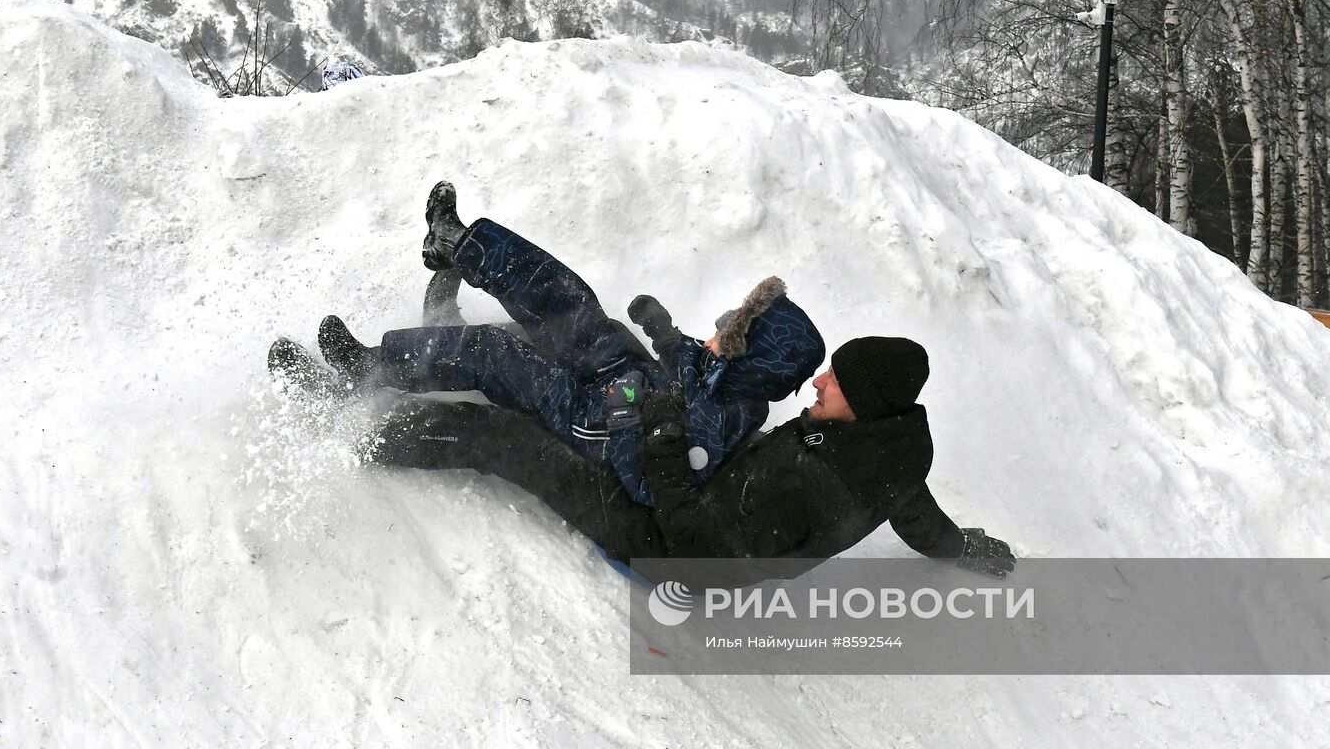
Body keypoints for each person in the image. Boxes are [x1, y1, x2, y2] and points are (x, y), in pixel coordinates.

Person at [318, 182, 826, 505]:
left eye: (733, 325)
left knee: (499, 353)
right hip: (626, 379)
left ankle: (368, 369)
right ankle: (458, 244)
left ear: (747, 356)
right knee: (568, 302)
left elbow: (651, 483)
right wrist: (666, 334)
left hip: (595, 418)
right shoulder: (729, 376)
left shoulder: (722, 420)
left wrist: (625, 413)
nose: (720, 324)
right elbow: (688, 372)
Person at [366, 336, 1016, 585]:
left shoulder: (813, 482)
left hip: (652, 535)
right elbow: (916, 511)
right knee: (584, 388)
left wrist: (662, 440)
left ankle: (366, 442)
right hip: (704, 492)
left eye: (836, 380)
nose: (817, 380)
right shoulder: (896, 450)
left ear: (868, 403)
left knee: (503, 437)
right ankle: (404, 362)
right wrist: (957, 546)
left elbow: (697, 544)